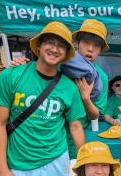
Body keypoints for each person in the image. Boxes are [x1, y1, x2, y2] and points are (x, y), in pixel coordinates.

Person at [0, 21, 86, 176]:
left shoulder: (69, 87)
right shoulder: (11, 76)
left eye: (61, 46)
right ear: (39, 46)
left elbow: (76, 126)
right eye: (50, 42)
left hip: (58, 161)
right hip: (21, 166)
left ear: (65, 54)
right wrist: (2, 170)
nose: (55, 49)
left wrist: (85, 162)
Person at [11, 19, 110, 159]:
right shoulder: (57, 64)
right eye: (86, 42)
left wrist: (86, 98)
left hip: (77, 138)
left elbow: (96, 115)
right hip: (46, 137)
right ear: (77, 43)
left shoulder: (101, 78)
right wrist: (21, 66)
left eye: (96, 45)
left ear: (100, 50)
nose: (90, 49)